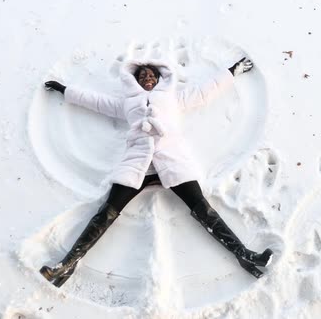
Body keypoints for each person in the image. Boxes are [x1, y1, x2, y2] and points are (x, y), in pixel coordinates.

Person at [40, 57, 273, 287]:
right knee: (106, 213)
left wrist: (232, 70)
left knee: (203, 209)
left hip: (172, 161)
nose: (147, 78)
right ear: (136, 82)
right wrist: (64, 90)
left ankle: (244, 254)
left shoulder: (172, 98)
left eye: (151, 75)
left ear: (160, 78)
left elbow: (205, 91)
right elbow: (96, 101)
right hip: (137, 164)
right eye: (142, 77)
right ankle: (67, 264)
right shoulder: (127, 103)